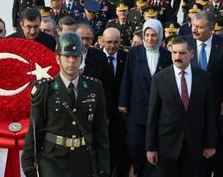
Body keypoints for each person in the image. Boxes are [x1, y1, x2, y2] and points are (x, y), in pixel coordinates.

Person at [21, 32, 110, 177]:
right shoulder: (45, 88)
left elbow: (101, 131)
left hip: (83, 159)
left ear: (81, 58)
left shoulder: (94, 87)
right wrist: (28, 161)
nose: (71, 61)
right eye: (67, 56)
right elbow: (36, 128)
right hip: (52, 160)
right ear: (57, 58)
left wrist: (104, 167)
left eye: (75, 57)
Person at [146, 36, 217, 177]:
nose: (177, 57)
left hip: (194, 145)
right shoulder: (159, 79)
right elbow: (152, 116)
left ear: (191, 54)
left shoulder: (204, 78)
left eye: (182, 53)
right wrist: (150, 148)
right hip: (167, 145)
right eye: (174, 52)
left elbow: (209, 113)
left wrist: (210, 143)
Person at [119, 19, 171, 177]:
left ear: (160, 36)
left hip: (158, 110)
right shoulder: (135, 53)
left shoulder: (167, 55)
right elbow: (127, 77)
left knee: (154, 145)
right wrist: (122, 102)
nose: (150, 39)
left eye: (154, 35)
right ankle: (138, 168)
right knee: (134, 144)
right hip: (137, 107)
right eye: (147, 35)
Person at [186, 10, 223, 176]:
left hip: (217, 112)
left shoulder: (221, 45)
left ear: (212, 28)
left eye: (200, 27)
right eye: (194, 25)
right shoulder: (184, 45)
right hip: (190, 112)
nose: (195, 30)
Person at [101, 28, 130, 177]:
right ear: (102, 41)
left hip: (121, 113)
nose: (112, 45)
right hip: (101, 113)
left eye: (116, 42)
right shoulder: (96, 57)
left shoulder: (126, 57)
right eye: (109, 42)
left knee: (119, 150)